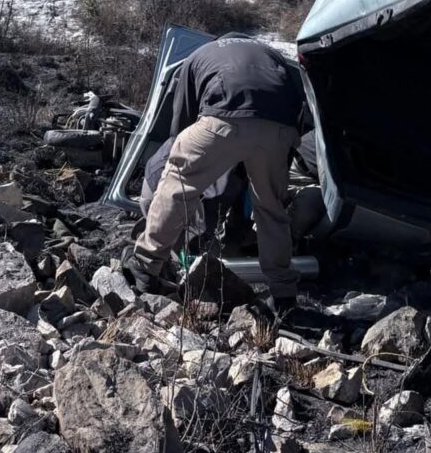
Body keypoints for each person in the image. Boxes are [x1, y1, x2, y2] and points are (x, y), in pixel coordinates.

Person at [126, 34, 304, 310]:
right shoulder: (273, 55)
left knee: (178, 186)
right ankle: (284, 295)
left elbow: (181, 120)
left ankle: (146, 266)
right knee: (271, 209)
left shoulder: (199, 55)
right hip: (278, 129)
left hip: (222, 116)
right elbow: (296, 104)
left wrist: (192, 156)